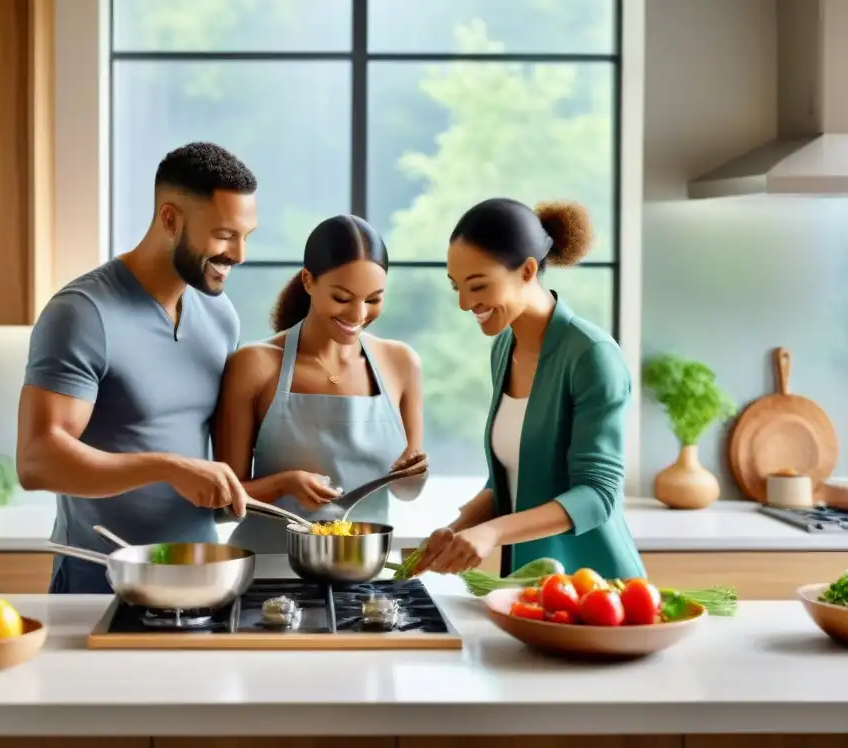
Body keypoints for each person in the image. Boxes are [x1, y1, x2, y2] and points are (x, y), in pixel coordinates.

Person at [16, 142, 259, 594]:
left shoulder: (220, 314)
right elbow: (37, 461)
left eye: (247, 235)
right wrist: (167, 467)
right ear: (170, 220)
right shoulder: (83, 313)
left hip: (200, 576)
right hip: (101, 578)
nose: (240, 254)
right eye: (225, 234)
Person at [411, 198, 644, 580]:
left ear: (528, 270)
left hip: (593, 588)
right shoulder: (504, 348)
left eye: (478, 285)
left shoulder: (592, 356)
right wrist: (456, 530)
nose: (464, 303)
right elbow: (512, 479)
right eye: (457, 287)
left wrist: (492, 532)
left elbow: (597, 495)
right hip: (528, 584)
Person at [214, 214, 428, 554]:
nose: (358, 314)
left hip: (361, 573)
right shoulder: (255, 364)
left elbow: (407, 491)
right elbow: (224, 502)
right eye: (342, 298)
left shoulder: (401, 364)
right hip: (268, 572)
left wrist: (414, 474)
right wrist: (284, 484)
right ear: (308, 281)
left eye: (373, 299)